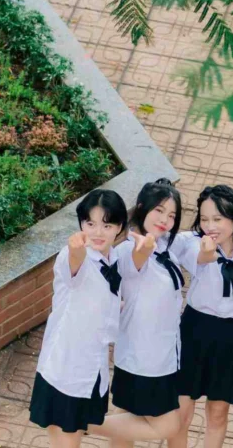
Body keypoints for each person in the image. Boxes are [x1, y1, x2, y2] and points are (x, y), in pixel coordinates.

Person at [90, 178, 192, 446]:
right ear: (141, 207)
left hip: (160, 357)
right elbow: (135, 261)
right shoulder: (130, 250)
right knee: (168, 425)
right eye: (159, 210)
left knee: (126, 421)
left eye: (172, 215)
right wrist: (143, 250)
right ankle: (81, 422)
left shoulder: (165, 247)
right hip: (144, 360)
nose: (165, 219)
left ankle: (80, 422)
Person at [29, 189, 128, 448]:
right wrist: (75, 251)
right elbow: (75, 266)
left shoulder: (114, 258)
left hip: (94, 369)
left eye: (107, 225)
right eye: (90, 224)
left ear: (119, 227)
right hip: (65, 370)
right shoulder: (73, 256)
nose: (97, 232)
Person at [169, 185, 233, 448]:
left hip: (231, 335)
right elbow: (200, 255)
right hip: (195, 329)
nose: (210, 226)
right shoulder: (193, 242)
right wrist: (207, 249)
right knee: (181, 412)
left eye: (217, 219)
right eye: (205, 219)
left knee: (218, 413)